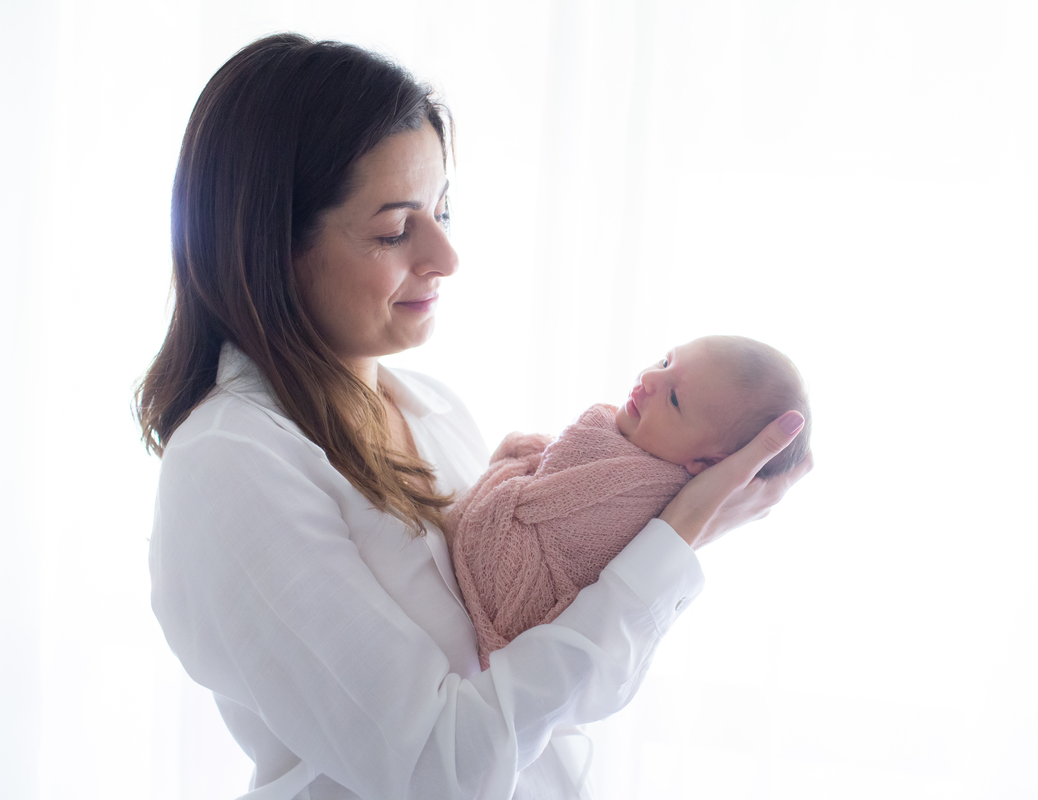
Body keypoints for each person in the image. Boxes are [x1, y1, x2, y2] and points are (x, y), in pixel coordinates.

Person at [137, 33, 812, 800]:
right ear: (271, 245)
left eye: (444, 208)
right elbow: (442, 771)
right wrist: (670, 543)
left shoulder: (431, 409)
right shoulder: (232, 466)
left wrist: (664, 529)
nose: (446, 255)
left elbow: (557, 689)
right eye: (396, 229)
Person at [448, 335, 811, 668]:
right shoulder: (628, 448)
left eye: (674, 399)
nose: (651, 380)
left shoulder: (646, 499)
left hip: (513, 598)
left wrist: (517, 461)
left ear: (705, 464)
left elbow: (545, 523)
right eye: (666, 363)